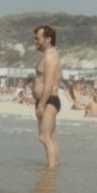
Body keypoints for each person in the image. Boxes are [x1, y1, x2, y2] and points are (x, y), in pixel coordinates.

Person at [32, 25, 62, 168]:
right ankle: (53, 170)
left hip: (48, 101)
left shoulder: (50, 57)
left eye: (38, 38)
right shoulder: (49, 55)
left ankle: (50, 175)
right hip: (48, 101)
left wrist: (41, 105)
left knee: (45, 138)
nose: (35, 41)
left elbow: (48, 84)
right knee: (50, 138)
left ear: (48, 39)